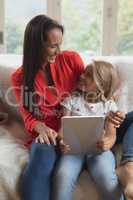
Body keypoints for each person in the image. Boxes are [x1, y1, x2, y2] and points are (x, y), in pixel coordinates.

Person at [11, 14, 124, 200]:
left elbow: (96, 84)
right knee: (41, 155)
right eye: (52, 46)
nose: (58, 50)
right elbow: (29, 117)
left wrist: (112, 110)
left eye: (60, 44)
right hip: (53, 135)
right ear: (36, 46)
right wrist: (42, 127)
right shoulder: (20, 77)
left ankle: (129, 164)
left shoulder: (71, 60)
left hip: (83, 130)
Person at [52, 60, 124, 200]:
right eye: (84, 72)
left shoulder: (109, 106)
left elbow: (111, 136)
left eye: (89, 75)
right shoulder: (71, 100)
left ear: (101, 85)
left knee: (106, 178)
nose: (82, 76)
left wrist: (106, 144)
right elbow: (62, 130)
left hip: (98, 152)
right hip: (73, 150)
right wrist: (62, 141)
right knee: (62, 176)